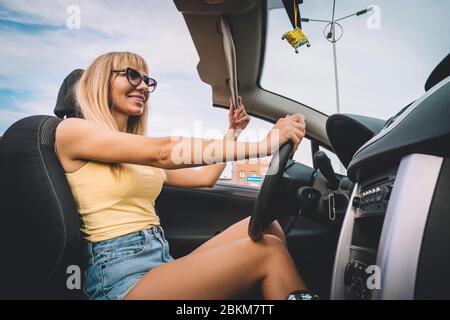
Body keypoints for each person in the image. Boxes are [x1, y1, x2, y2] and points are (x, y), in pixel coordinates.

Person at [54, 51, 308, 300]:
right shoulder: (72, 131)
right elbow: (163, 152)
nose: (143, 86)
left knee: (267, 226)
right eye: (132, 76)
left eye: (147, 81)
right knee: (268, 253)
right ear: (100, 80)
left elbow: (204, 178)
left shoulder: (135, 152)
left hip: (158, 261)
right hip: (118, 280)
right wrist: (264, 144)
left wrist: (233, 132)